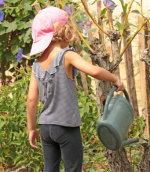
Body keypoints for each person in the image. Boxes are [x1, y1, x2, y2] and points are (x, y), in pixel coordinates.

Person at [26, 6, 125, 172]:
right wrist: (115, 79)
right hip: (66, 126)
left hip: (45, 127)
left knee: (50, 168)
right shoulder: (67, 55)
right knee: (73, 168)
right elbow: (93, 71)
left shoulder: (36, 64)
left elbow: (31, 100)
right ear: (64, 32)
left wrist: (31, 128)